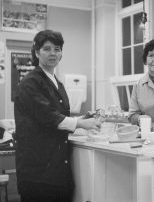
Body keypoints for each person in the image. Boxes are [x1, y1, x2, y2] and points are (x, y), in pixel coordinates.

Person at [14, 30, 102, 202]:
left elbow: (59, 116)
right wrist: (80, 124)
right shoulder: (30, 83)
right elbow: (48, 116)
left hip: (57, 170)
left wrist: (81, 119)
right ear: (37, 52)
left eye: (57, 49)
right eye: (47, 49)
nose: (53, 53)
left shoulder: (57, 83)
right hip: (37, 173)